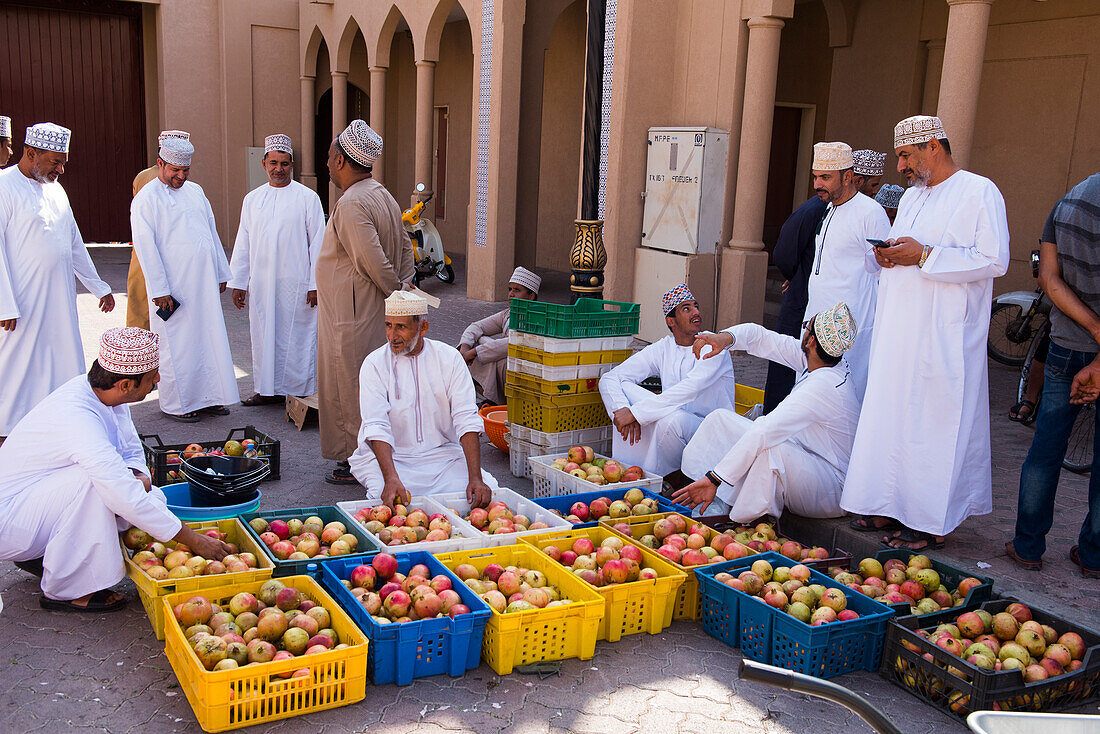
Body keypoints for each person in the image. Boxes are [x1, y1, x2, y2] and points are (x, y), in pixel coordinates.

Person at [842, 115, 1010, 551]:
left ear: (933, 146)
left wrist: (926, 255)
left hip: (943, 336)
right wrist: (886, 258)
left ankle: (929, 520)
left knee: (934, 428)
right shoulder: (915, 198)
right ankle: (885, 504)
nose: (900, 166)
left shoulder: (979, 191)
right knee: (893, 418)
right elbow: (906, 251)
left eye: (905, 155)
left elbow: (994, 260)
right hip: (900, 333)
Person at [0, 328, 231, 612]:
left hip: (36, 505)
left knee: (143, 494)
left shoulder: (103, 394)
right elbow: (120, 491)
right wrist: (194, 540)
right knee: (99, 485)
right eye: (151, 377)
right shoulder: (77, 417)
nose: (157, 380)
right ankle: (64, 590)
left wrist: (140, 475)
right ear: (124, 384)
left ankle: (49, 555)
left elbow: (129, 447)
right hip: (11, 521)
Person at [674, 303, 860, 523]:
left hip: (830, 486)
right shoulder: (824, 360)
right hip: (806, 458)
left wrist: (715, 478)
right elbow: (761, 338)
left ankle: (742, 520)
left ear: (810, 341)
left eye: (805, 328)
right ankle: (703, 492)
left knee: (770, 449)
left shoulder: (823, 386)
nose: (803, 333)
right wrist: (724, 339)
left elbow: (765, 430)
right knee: (720, 419)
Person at [1007, 173, 1100, 579]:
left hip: (1066, 342)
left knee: (1046, 448)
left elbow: (1048, 278)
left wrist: (1094, 331)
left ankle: (1028, 547)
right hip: (1085, 344)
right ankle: (1095, 555)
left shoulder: (1071, 200)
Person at [0, 123, 115, 440]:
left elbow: (74, 243)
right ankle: (6, 432)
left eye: (64, 162)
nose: (61, 169)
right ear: (31, 153)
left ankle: (59, 421)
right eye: (55, 162)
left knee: (61, 360)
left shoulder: (56, 189)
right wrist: (4, 304)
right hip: (19, 303)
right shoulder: (3, 186)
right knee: (15, 366)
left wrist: (98, 287)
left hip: (59, 299)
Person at [317, 120, 415, 485]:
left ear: (342, 160)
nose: (327, 163)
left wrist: (398, 293)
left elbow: (371, 260)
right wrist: (404, 286)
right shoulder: (382, 194)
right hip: (371, 310)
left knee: (351, 387)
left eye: (329, 157)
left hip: (354, 315)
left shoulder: (353, 202)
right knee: (375, 383)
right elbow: (405, 247)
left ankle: (356, 459)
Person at [348, 291, 496, 507]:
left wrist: (475, 478)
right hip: (391, 459)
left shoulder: (449, 359)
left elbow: (466, 417)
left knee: (486, 493)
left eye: (401, 327)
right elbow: (376, 424)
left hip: (442, 457)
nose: (392, 336)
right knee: (386, 502)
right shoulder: (374, 364)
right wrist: (390, 478)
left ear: (423, 328)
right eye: (388, 325)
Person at [130, 136, 239, 422]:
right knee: (176, 345)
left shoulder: (196, 191)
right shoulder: (146, 198)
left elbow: (210, 232)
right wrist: (160, 289)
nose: (180, 176)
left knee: (207, 340)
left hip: (201, 286)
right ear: (160, 164)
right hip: (172, 291)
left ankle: (210, 398)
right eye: (174, 170)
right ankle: (178, 405)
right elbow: (145, 246)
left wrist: (220, 270)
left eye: (185, 170)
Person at [598, 284, 737, 477]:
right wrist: (622, 409)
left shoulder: (712, 346)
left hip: (711, 432)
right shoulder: (664, 348)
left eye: (696, 306)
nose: (696, 312)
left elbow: (689, 389)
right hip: (676, 426)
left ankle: (666, 478)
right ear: (671, 321)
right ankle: (631, 473)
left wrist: (636, 413)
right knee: (624, 388)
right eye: (686, 309)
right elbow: (610, 378)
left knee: (671, 420)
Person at [229, 134, 325, 405]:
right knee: (263, 337)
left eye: (284, 163)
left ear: (292, 165)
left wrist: (315, 283)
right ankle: (266, 390)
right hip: (262, 284)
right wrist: (238, 281)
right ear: (264, 163)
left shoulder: (308, 198)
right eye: (273, 163)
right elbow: (243, 241)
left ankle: (299, 392)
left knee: (297, 338)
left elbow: (319, 243)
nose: (278, 169)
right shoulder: (252, 199)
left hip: (297, 284)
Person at [804, 142, 891, 399]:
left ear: (848, 176)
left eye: (825, 177)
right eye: (815, 177)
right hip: (816, 321)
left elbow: (882, 271)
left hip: (851, 328)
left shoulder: (871, 213)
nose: (817, 184)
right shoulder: (829, 207)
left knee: (845, 397)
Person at [765, 195, 827, 412]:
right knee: (788, 363)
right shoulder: (815, 209)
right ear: (853, 178)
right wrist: (798, 277)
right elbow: (784, 253)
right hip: (800, 300)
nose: (819, 184)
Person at [126, 130, 190, 331]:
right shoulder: (152, 181)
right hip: (159, 251)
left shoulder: (144, 176)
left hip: (145, 252)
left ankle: (141, 354)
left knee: (141, 308)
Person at [458, 266, 540, 405]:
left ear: (530, 296)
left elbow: (513, 342)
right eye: (510, 289)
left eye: (517, 290)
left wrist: (475, 352)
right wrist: (465, 348)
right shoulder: (507, 314)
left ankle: (493, 399)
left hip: (525, 370)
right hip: (504, 364)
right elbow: (477, 326)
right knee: (479, 339)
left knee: (496, 357)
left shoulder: (537, 318)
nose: (511, 294)